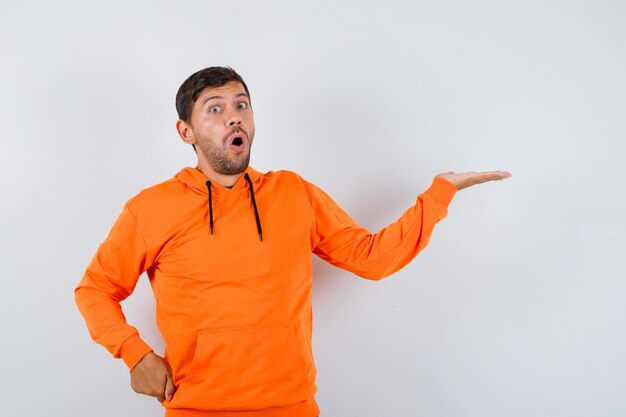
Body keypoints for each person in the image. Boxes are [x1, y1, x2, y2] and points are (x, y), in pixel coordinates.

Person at [74, 66, 511, 417]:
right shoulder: (151, 208)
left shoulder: (293, 193)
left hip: (292, 407)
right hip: (197, 409)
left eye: (241, 105)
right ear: (185, 132)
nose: (234, 116)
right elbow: (95, 290)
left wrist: (441, 192)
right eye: (215, 108)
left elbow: (372, 257)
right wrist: (134, 354)